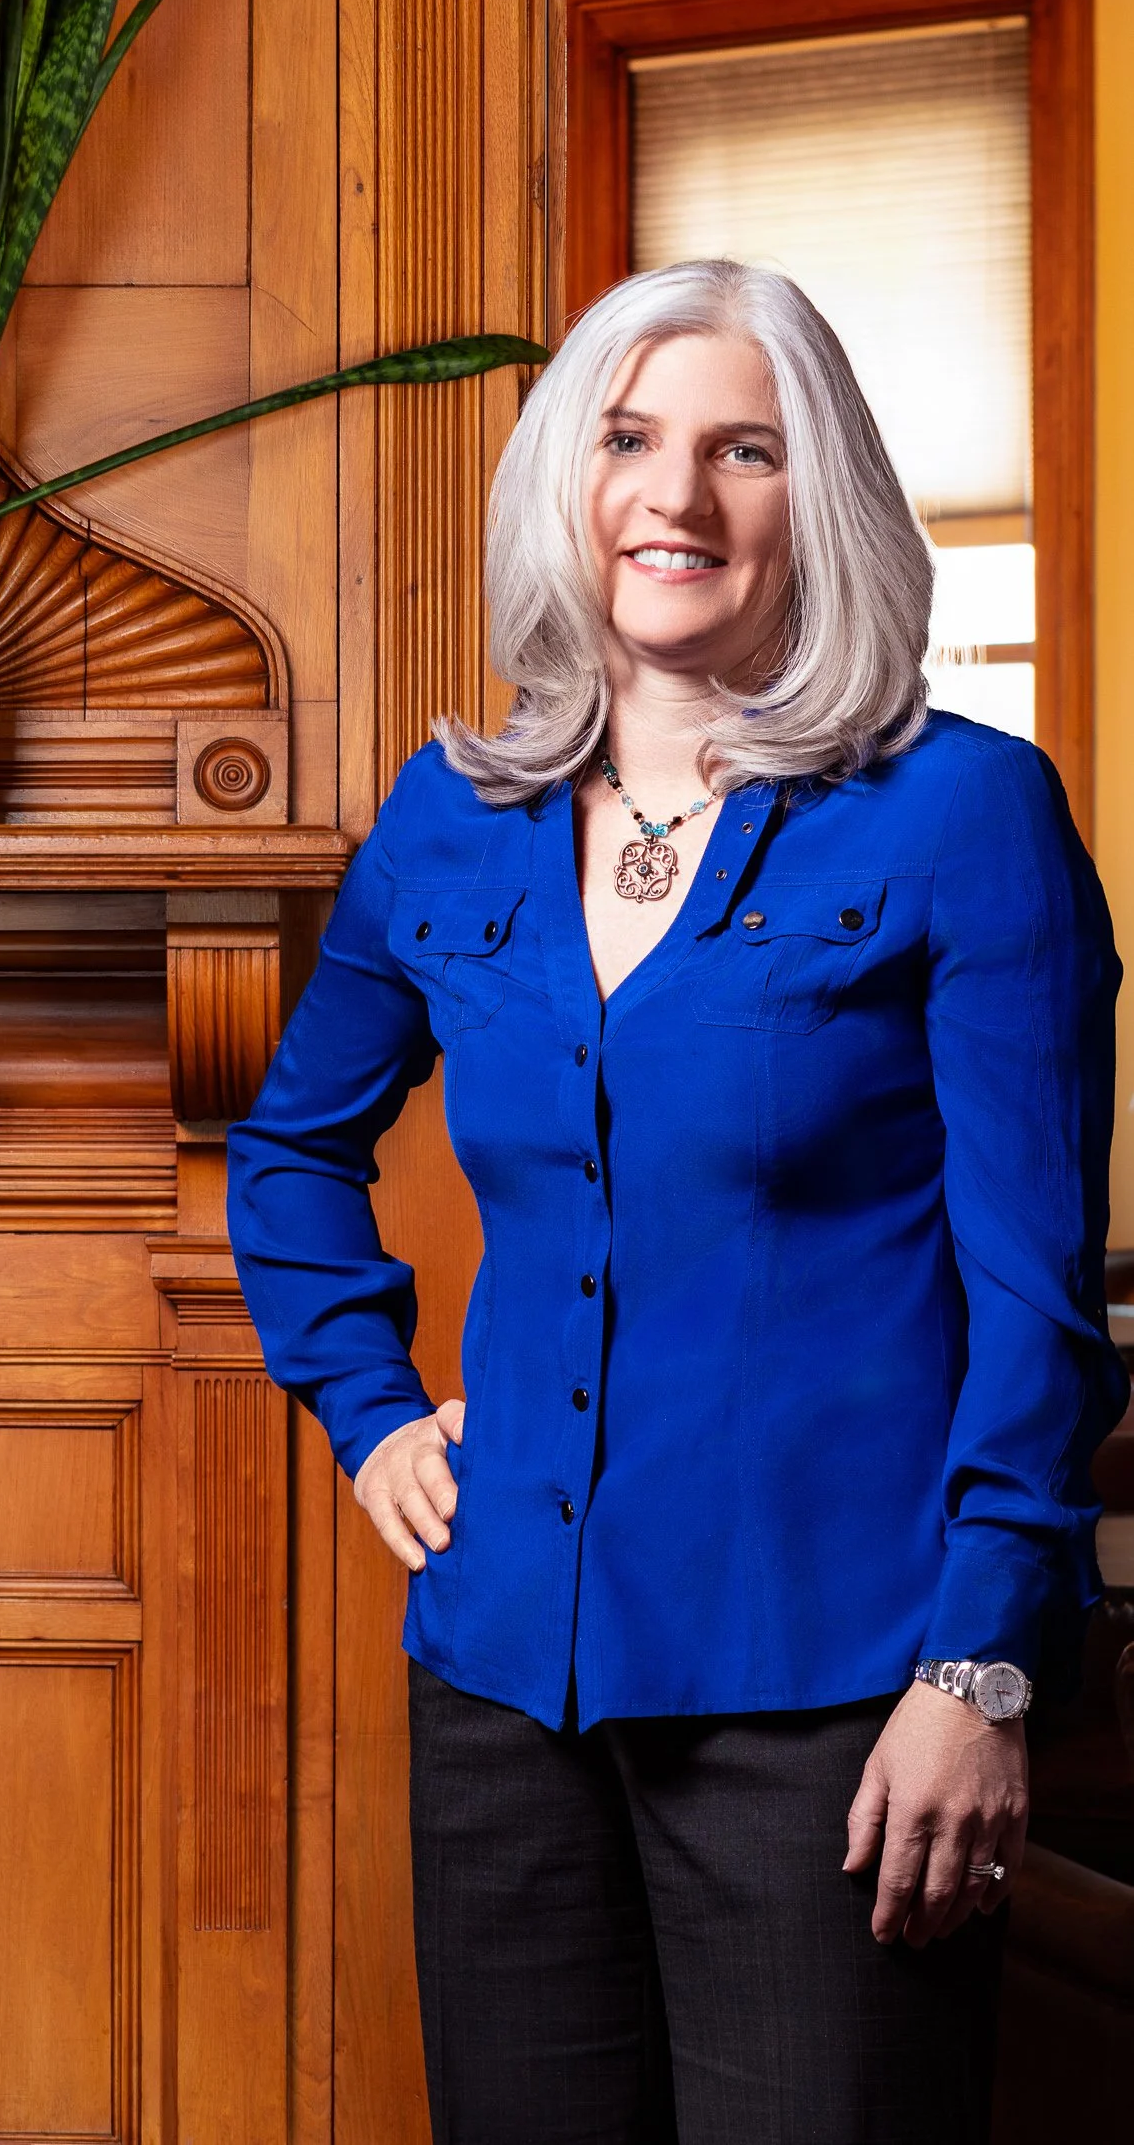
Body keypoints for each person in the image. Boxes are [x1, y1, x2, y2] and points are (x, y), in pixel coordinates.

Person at [225, 259, 1128, 2145]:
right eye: (628, 439)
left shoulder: (962, 814)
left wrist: (978, 1673)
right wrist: (367, 1411)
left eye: (745, 450)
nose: (675, 496)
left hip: (841, 1698)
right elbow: (291, 1148)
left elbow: (1036, 1301)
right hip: (503, 1682)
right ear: (564, 478)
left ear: (823, 500)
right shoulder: (450, 817)